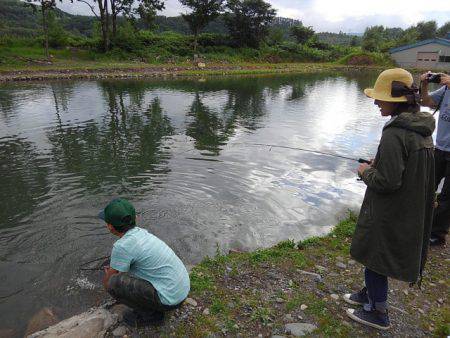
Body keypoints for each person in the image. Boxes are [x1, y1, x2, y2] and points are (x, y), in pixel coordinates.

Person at [344, 68, 435, 330]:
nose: (375, 102)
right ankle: (368, 294)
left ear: (395, 101)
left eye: (380, 98)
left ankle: (378, 312)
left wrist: (365, 171)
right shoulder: (420, 126)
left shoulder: (395, 133)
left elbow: (387, 182)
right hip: (410, 205)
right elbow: (404, 167)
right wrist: (380, 163)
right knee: (377, 253)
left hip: (391, 208)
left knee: (376, 253)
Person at [99, 198, 190, 326]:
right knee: (126, 275)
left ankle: (151, 316)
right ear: (135, 218)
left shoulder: (121, 246)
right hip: (182, 290)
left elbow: (107, 283)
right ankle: (153, 305)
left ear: (110, 226)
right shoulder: (142, 233)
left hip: (169, 300)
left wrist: (108, 275)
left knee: (113, 283)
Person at [419, 72, 450, 246]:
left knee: (447, 196)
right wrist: (424, 84)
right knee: (427, 187)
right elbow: (426, 102)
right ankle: (422, 225)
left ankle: (437, 234)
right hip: (440, 148)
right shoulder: (445, 89)